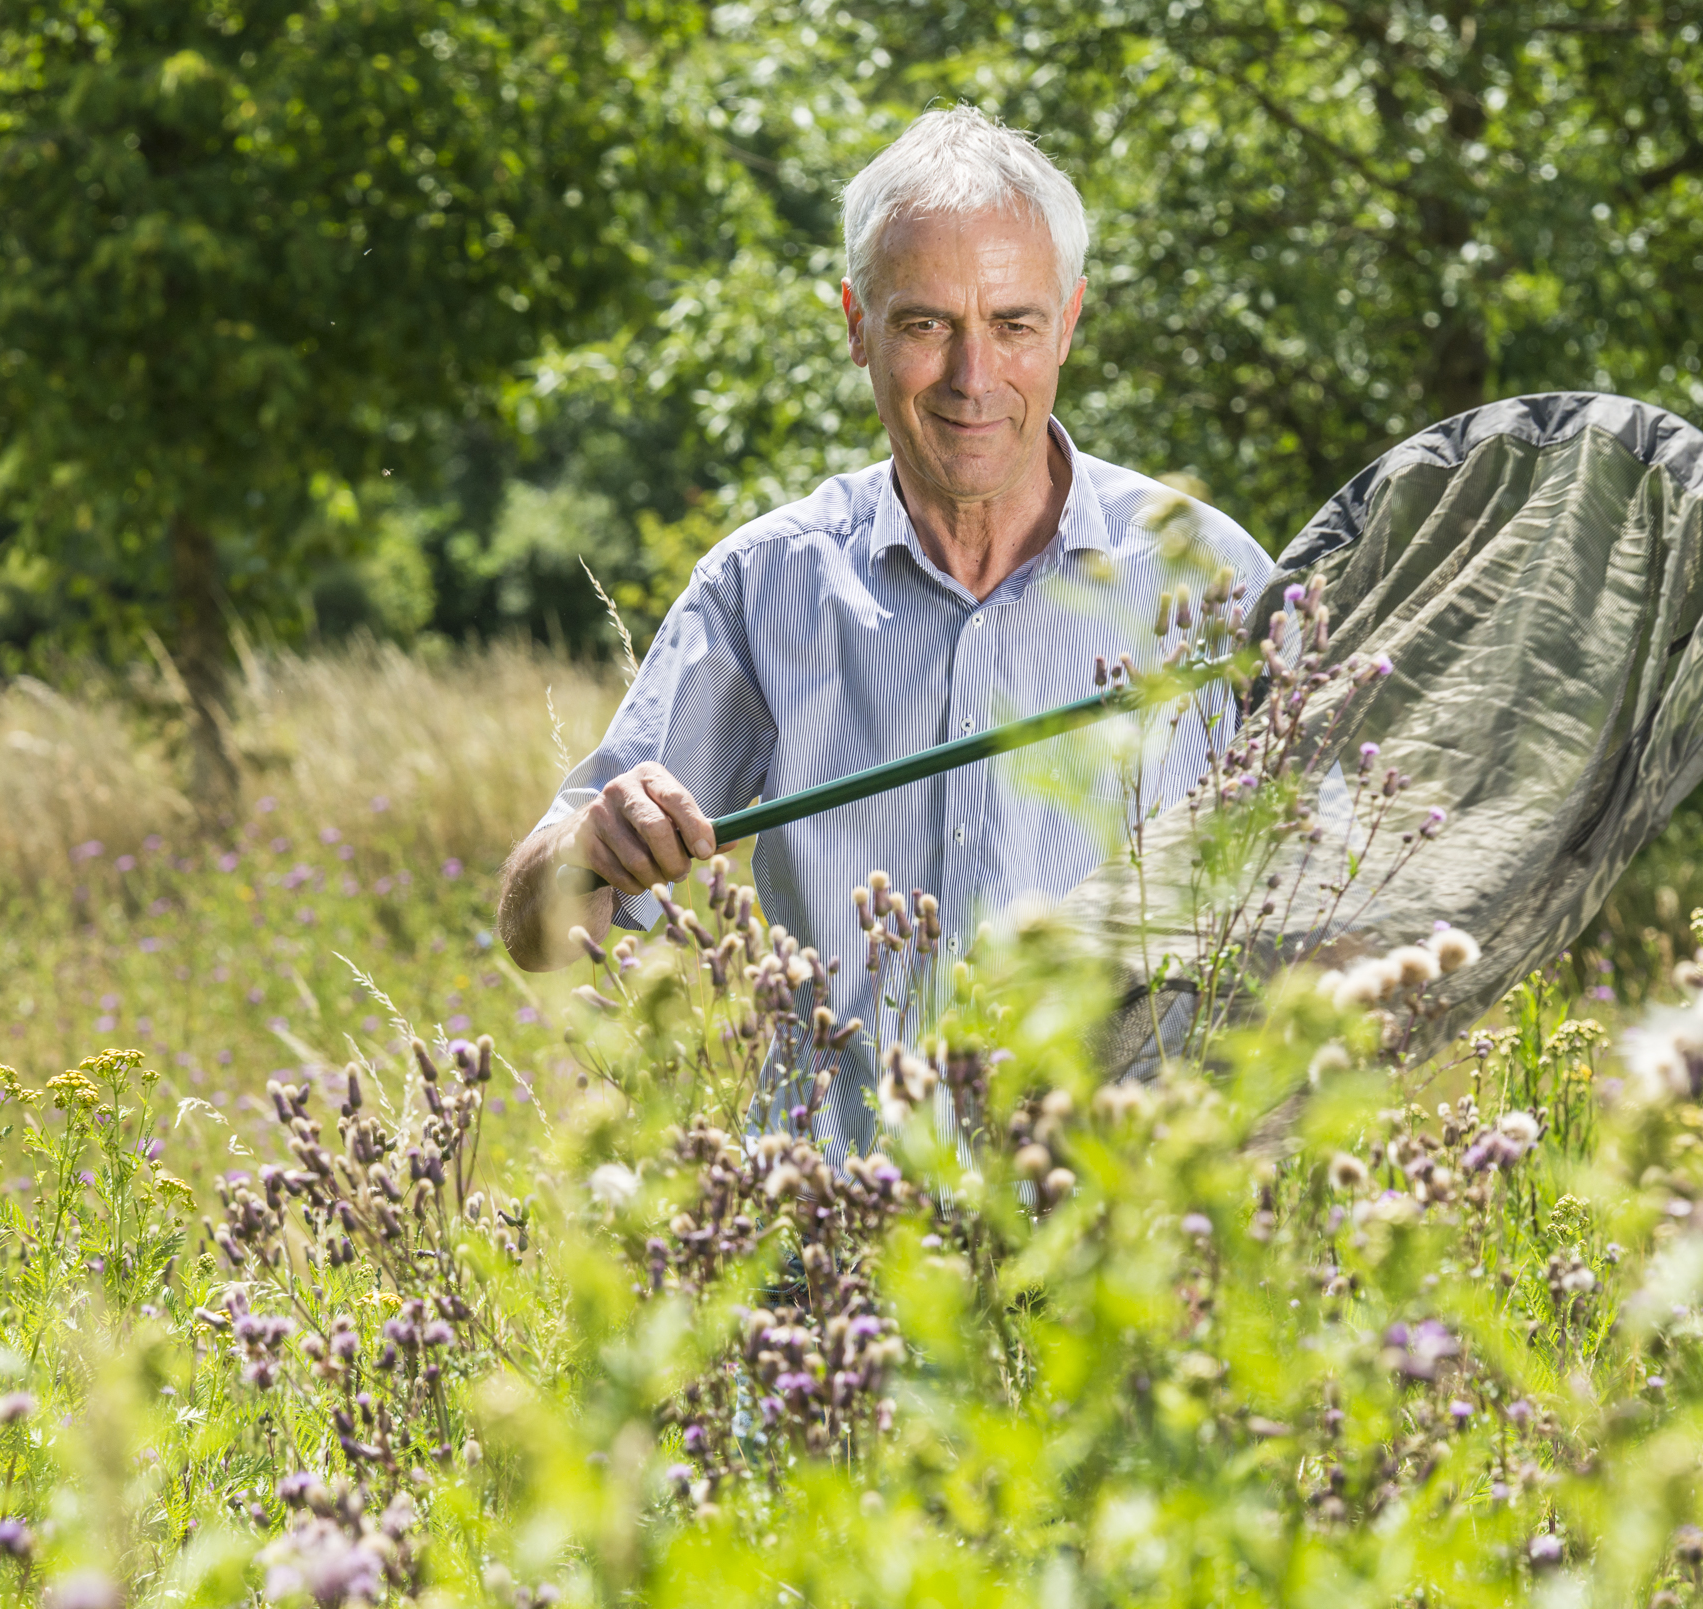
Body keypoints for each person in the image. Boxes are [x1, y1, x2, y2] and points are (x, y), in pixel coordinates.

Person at [497, 106, 1277, 1141]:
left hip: (1130, 1236)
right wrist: (589, 846)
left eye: (1013, 323)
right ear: (857, 323)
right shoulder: (765, 585)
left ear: (1071, 321)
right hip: (839, 1235)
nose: (972, 377)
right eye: (925, 325)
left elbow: (1345, 896)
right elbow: (541, 929)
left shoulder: (1210, 577)